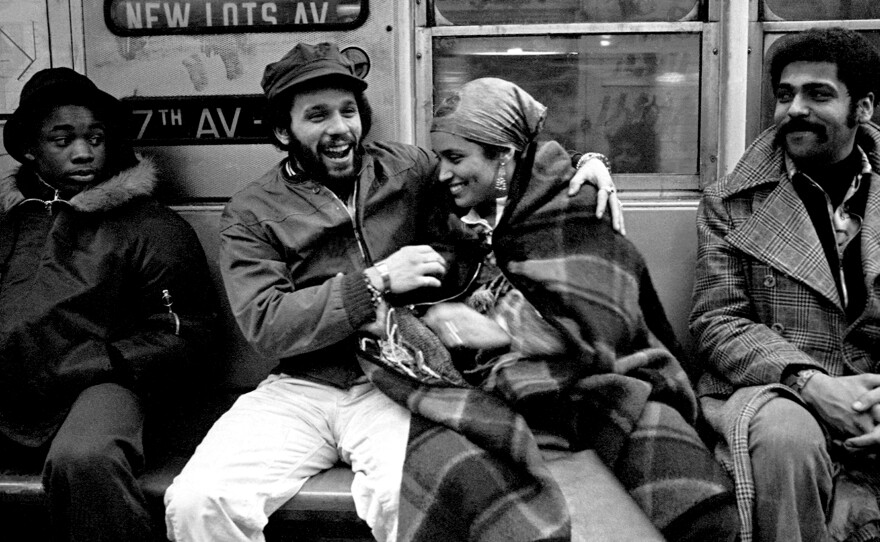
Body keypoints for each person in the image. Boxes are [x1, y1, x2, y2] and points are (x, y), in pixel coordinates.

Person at [163, 42, 619, 542]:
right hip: (303, 386)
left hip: (395, 379)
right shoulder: (252, 211)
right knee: (196, 500)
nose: (340, 128)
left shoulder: (409, 169)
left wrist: (582, 163)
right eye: (317, 115)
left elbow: (496, 153)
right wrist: (374, 281)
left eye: (348, 111)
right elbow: (267, 325)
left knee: (416, 499)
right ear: (282, 131)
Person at [348, 77, 736, 541]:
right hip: (502, 388)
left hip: (598, 379)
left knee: (685, 480)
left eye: (456, 159)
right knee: (461, 468)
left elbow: (606, 325)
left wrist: (503, 331)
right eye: (440, 158)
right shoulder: (452, 209)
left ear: (505, 156)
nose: (444, 173)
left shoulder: (571, 202)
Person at [0, 67, 216, 542]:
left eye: (95, 137)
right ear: (32, 149)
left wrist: (99, 362)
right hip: (15, 383)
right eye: (63, 139)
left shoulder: (149, 226)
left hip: (106, 383)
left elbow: (185, 332)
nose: (83, 151)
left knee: (85, 458)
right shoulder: (11, 224)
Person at [690, 27, 880, 542]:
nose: (794, 109)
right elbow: (717, 321)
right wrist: (814, 385)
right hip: (776, 388)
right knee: (785, 440)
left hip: (870, 391)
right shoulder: (731, 202)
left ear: (861, 108)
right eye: (784, 95)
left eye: (818, 94)